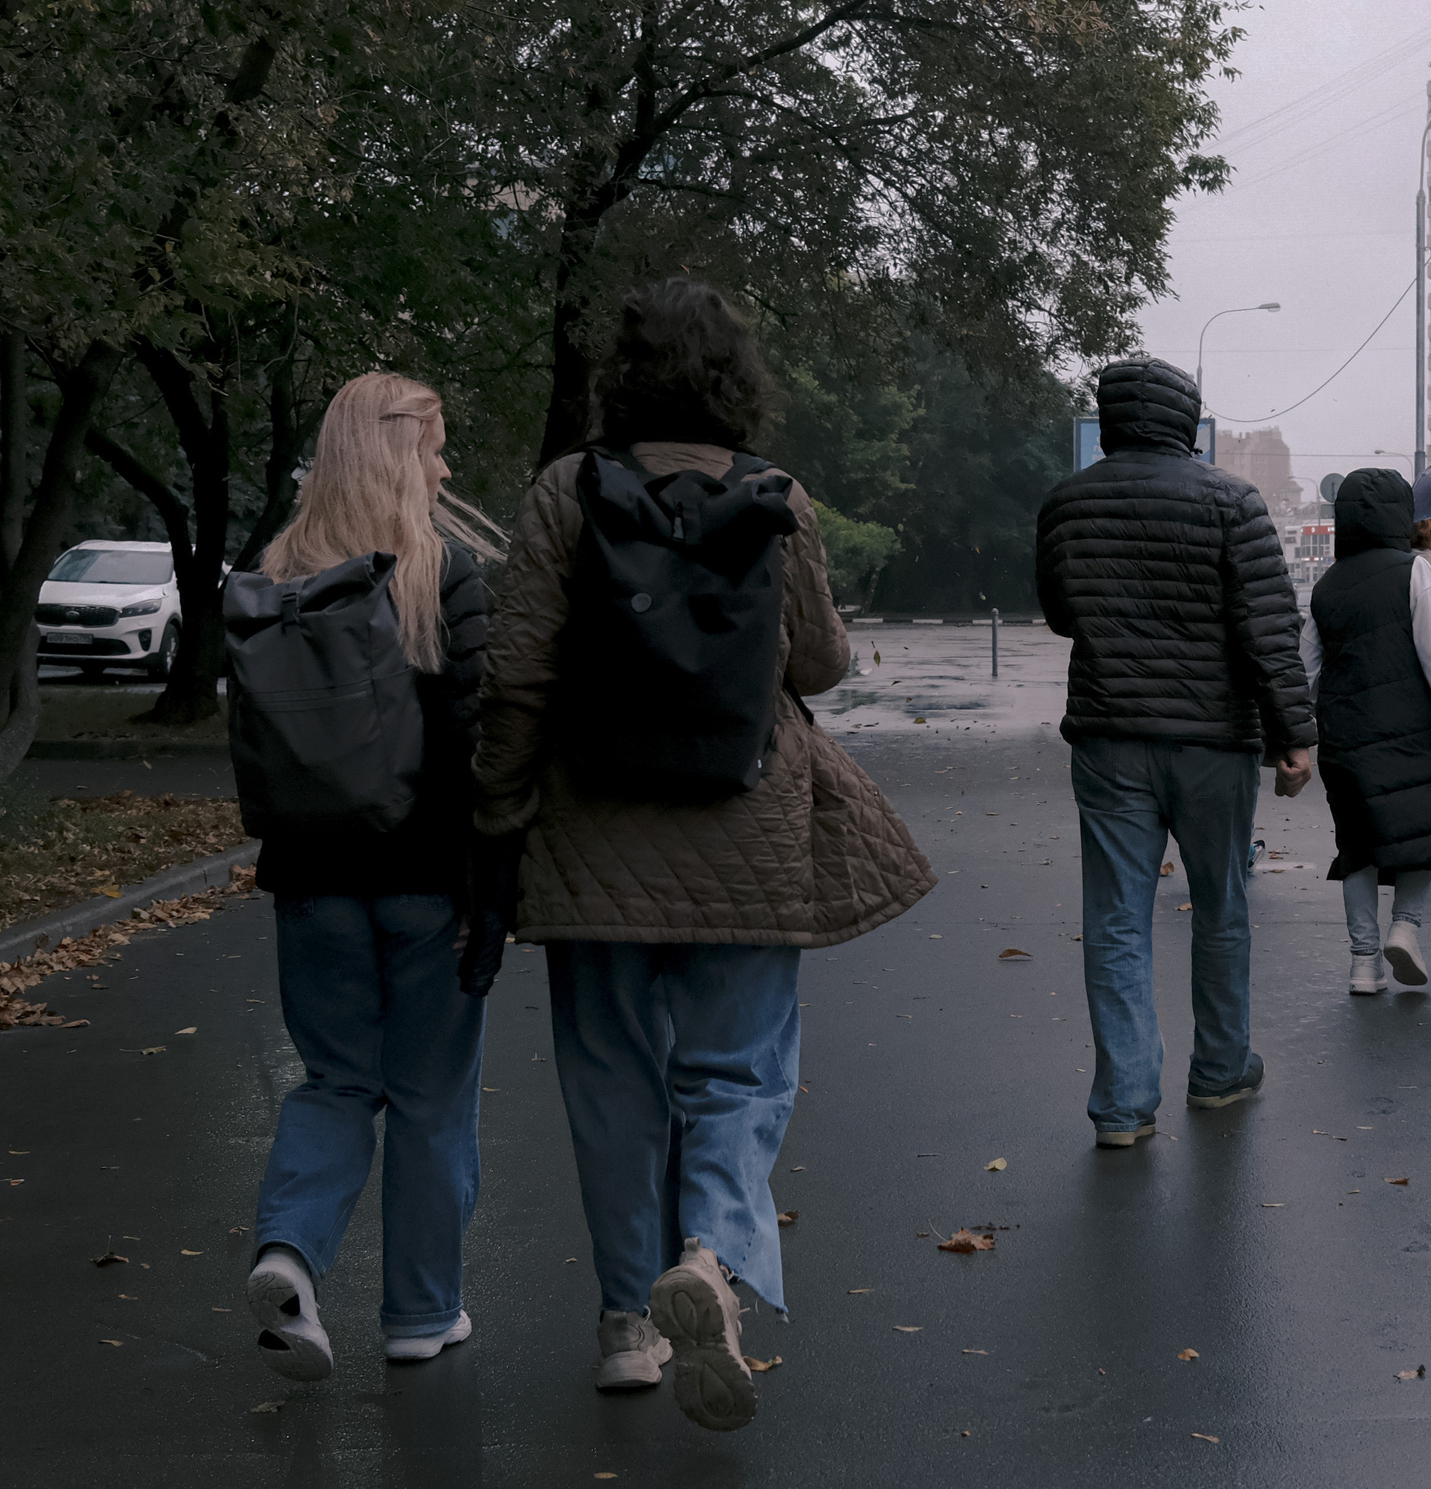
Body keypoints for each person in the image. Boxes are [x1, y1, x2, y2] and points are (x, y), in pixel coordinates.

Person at [476, 279, 934, 1431]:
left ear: (619, 379)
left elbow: (520, 674)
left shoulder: (560, 495)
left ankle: (629, 1326)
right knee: (736, 1074)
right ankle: (714, 1260)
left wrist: (499, 812)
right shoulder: (778, 498)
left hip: (593, 836)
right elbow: (819, 664)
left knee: (611, 1087)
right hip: (748, 823)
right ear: (737, 380)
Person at [241, 373, 498, 1383]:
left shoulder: (274, 576)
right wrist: (493, 887)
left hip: (309, 878)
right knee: (433, 1097)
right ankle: (421, 1315)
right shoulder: (445, 574)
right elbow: (477, 744)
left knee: (337, 1080)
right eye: (434, 448)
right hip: (428, 881)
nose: (444, 466)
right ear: (399, 456)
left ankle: (289, 1254)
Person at [1035, 359, 1315, 1148]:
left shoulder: (1067, 504)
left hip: (1109, 734)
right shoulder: (1233, 502)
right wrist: (1294, 732)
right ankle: (1221, 1071)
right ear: (1187, 423)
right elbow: (1268, 625)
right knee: (1221, 904)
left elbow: (1059, 614)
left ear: (1112, 421)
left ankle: (1124, 1104)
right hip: (1213, 741)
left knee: (1116, 919)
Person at [1301, 469, 1431, 993]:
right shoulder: (1413, 571)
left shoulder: (1326, 585)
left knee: (1357, 844)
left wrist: (1313, 720)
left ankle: (1362, 964)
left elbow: (1306, 667)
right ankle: (1405, 928)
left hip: (1345, 735)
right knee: (1422, 829)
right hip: (1410, 728)